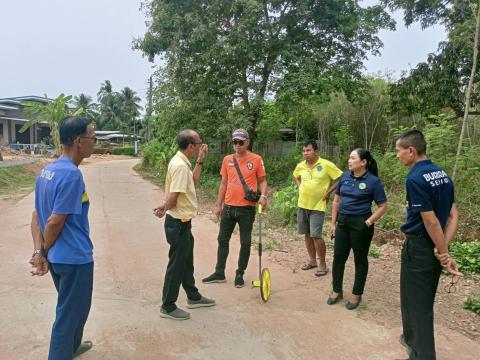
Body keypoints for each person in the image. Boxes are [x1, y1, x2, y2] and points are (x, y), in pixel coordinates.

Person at [30, 116, 96, 359]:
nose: (95, 143)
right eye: (92, 137)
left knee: (76, 310)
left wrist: (40, 252)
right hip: (73, 259)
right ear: (79, 141)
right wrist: (43, 253)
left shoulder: (47, 171)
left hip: (61, 259)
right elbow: (53, 221)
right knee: (68, 316)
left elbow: (36, 214)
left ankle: (72, 347)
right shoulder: (71, 175)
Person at [395, 129, 462, 360]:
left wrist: (442, 251)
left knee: (419, 305)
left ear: (411, 151)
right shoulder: (442, 174)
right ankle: (411, 341)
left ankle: (423, 355)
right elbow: (453, 215)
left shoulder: (415, 178)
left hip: (421, 248)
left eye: (399, 151)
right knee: (415, 298)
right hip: (433, 246)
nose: (397, 156)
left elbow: (431, 220)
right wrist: (443, 249)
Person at [154, 129, 216, 320]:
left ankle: (193, 296)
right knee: (177, 265)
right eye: (198, 144)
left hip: (183, 222)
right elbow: (175, 195)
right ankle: (168, 305)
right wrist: (165, 207)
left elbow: (193, 182)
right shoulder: (180, 166)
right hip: (178, 223)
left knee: (186, 262)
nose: (200, 146)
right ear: (191, 146)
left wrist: (201, 160)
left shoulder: (182, 162)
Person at [202, 129, 267, 288]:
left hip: (247, 209)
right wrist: (218, 205)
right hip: (229, 208)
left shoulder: (256, 159)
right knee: (222, 240)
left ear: (247, 142)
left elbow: (263, 181)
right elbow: (223, 183)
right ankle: (219, 272)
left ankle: (240, 273)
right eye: (234, 142)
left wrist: (263, 196)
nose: (237, 145)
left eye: (240, 142)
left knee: (245, 242)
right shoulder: (227, 160)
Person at [327, 148, 388, 310]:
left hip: (361, 224)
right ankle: (336, 290)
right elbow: (336, 201)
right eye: (349, 158)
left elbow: (383, 206)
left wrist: (368, 222)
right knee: (338, 257)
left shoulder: (373, 181)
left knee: (360, 260)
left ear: (363, 162)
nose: (349, 160)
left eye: (353, 158)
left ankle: (356, 294)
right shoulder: (345, 177)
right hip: (342, 223)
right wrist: (333, 224)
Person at [293, 140, 342, 276]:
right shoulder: (301, 166)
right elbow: (295, 175)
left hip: (318, 205)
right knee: (307, 235)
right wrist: (299, 186)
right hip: (302, 204)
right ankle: (312, 261)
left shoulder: (326, 165)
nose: (305, 153)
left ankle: (322, 264)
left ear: (316, 151)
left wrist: (329, 191)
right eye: (303, 151)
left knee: (316, 235)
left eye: (308, 150)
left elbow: (341, 178)